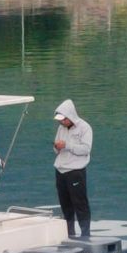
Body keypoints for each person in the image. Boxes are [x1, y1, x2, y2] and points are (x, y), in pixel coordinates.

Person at [53, 99, 92, 237]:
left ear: (70, 116)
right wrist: (57, 147)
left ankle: (85, 233)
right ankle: (69, 233)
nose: (61, 122)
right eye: (60, 119)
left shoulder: (84, 128)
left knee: (80, 203)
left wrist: (67, 145)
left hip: (75, 171)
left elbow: (86, 149)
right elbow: (57, 147)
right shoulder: (60, 128)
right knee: (65, 204)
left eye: (64, 119)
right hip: (60, 170)